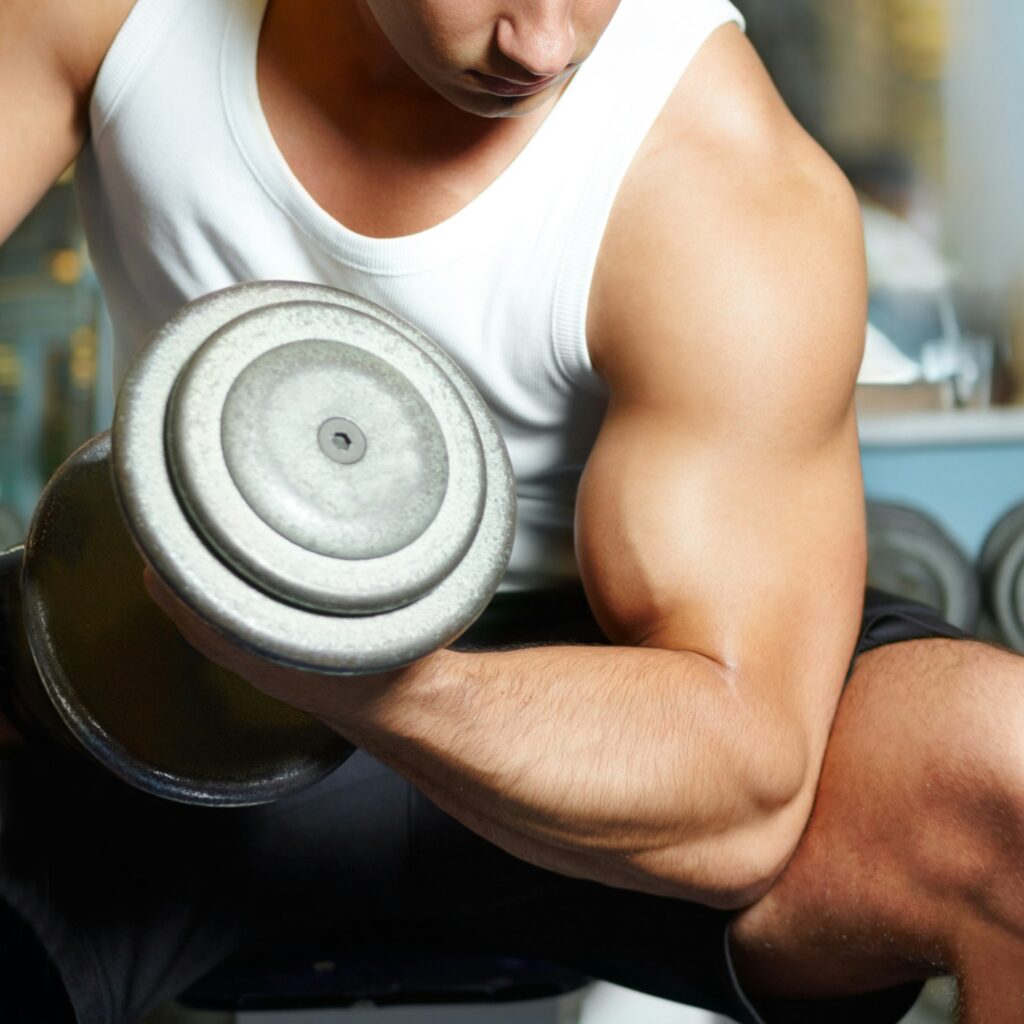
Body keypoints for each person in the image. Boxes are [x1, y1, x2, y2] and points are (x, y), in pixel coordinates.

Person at [2, 0, 1023, 1021]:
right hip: (181, 667)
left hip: (606, 709)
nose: (542, 41)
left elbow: (742, 794)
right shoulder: (111, 17)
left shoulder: (715, 173)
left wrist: (372, 684)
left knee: (1003, 776)